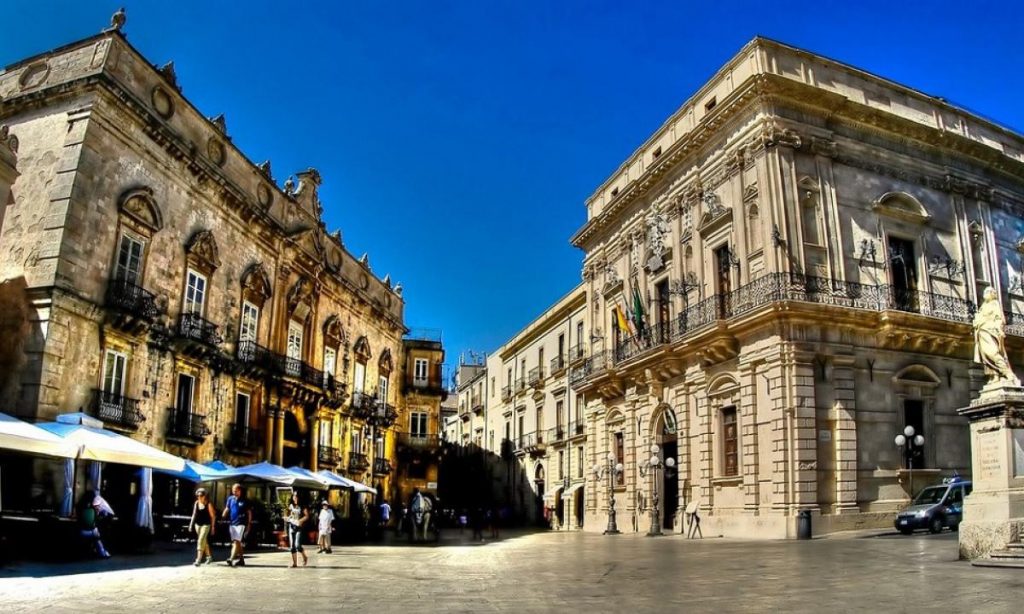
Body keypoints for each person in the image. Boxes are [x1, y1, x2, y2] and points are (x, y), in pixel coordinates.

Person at [973, 287, 1021, 387]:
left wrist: (999, 329)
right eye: (985, 291)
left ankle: (1008, 373)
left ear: (992, 294)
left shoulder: (994, 304)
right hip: (981, 332)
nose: (985, 293)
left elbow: (999, 319)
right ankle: (995, 375)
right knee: (986, 356)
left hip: (990, 331)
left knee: (992, 352)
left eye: (988, 291)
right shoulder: (983, 306)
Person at [222, 483, 252, 567]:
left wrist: (249, 524)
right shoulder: (230, 499)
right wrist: (223, 516)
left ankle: (231, 558)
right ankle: (241, 560)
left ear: (240, 491)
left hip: (241, 522)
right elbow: (227, 508)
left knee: (236, 541)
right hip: (232, 522)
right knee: (238, 542)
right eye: (233, 491)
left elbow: (249, 513)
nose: (234, 492)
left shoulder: (245, 500)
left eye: (236, 491)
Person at [78, 490, 111, 558]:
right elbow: (94, 521)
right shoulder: (93, 509)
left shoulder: (79, 506)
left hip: (81, 531)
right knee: (98, 534)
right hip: (89, 532)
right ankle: (103, 552)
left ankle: (100, 551)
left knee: (96, 534)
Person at [188, 487, 215, 566]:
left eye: (201, 495)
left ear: (204, 496)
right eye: (198, 496)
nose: (199, 497)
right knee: (204, 541)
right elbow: (194, 514)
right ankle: (209, 557)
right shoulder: (196, 503)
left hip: (206, 524)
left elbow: (213, 516)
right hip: (197, 524)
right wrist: (191, 524)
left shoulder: (208, 504)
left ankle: (198, 560)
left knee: (200, 540)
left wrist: (213, 527)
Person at [286, 492, 309, 567]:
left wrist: (300, 520)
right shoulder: (291, 506)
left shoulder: (302, 506)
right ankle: (295, 563)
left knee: (297, 545)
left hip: (299, 527)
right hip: (291, 527)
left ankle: (305, 557)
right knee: (292, 546)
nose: (295, 497)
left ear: (299, 497)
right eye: (294, 496)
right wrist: (287, 518)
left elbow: (307, 516)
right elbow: (287, 515)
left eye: (296, 496)